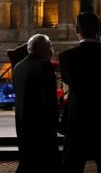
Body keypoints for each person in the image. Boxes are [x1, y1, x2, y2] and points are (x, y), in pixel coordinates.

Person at [59, 12, 101, 173]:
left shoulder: (67, 57)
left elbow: (68, 81)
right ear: (98, 30)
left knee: (73, 165)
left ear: (77, 30)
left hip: (78, 117)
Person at [12, 34, 61, 173]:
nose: (52, 50)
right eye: (50, 46)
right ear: (42, 48)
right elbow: (49, 99)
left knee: (28, 161)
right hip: (41, 125)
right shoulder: (45, 66)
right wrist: (55, 124)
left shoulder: (18, 67)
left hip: (22, 122)